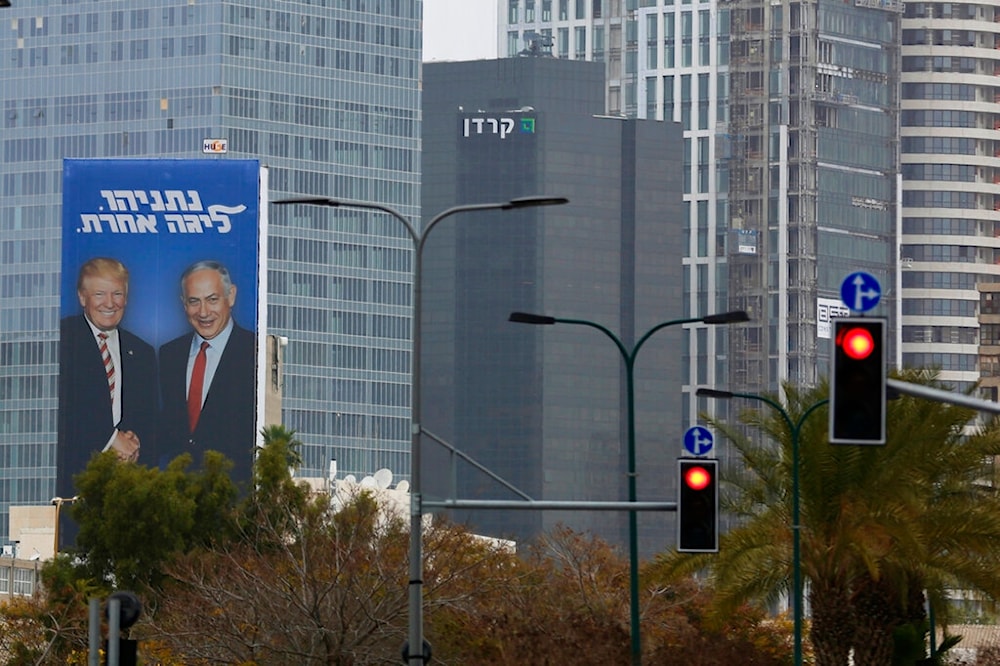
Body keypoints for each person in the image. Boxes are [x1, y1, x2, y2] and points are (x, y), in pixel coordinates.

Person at [57, 257, 157, 495]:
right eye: (100, 294)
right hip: (72, 483)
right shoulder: (61, 339)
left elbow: (151, 417)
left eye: (117, 294)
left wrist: (135, 442)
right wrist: (112, 440)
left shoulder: (142, 351)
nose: (110, 303)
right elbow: (65, 410)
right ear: (82, 297)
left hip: (128, 487)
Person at [154, 260, 256, 483]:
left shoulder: (255, 353)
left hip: (235, 499)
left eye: (212, 299)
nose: (203, 312)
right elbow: (170, 428)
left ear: (231, 296)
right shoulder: (169, 355)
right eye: (194, 301)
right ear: (183, 304)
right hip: (179, 496)